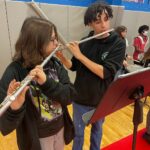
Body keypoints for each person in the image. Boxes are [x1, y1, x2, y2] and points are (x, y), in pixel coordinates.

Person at [56, 2, 126, 150]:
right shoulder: (85, 41)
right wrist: (62, 57)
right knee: (78, 134)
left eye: (106, 19)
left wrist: (80, 56)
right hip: (80, 98)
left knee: (97, 132)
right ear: (90, 24)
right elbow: (73, 66)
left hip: (101, 99)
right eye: (98, 21)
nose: (104, 25)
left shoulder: (117, 43)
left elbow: (104, 72)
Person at [0, 17, 76, 150]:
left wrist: (46, 82)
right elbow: (4, 126)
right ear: (36, 43)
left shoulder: (55, 63)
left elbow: (70, 96)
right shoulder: (14, 72)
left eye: (56, 38)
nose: (56, 43)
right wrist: (15, 109)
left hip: (60, 130)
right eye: (52, 40)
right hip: (37, 139)